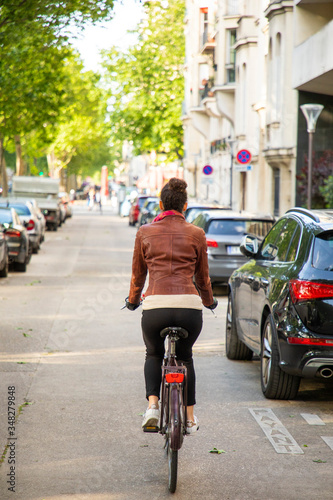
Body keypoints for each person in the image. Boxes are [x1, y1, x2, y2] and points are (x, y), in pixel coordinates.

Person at [126, 178, 217, 434]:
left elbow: (138, 275)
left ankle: (153, 406)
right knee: (186, 357)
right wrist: (209, 302)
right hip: (189, 309)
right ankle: (189, 418)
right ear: (185, 206)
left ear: (160, 204)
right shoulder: (197, 234)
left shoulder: (144, 232)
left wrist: (133, 300)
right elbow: (202, 278)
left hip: (155, 308)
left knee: (154, 353)